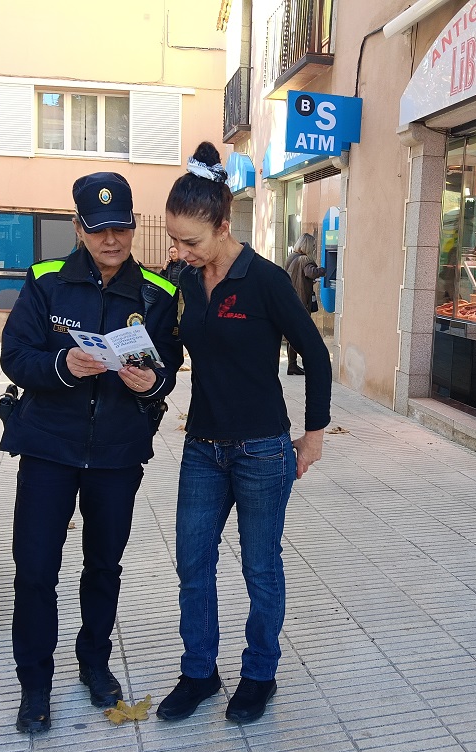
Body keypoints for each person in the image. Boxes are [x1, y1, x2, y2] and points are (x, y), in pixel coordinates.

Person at [0, 171, 183, 734]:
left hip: (117, 456)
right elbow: (15, 356)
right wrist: (61, 367)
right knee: (34, 571)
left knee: (103, 568)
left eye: (121, 228)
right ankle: (34, 684)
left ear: (132, 227)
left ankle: (94, 663)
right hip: (49, 450)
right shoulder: (45, 281)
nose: (112, 240)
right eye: (99, 229)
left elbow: (168, 370)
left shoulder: (159, 292)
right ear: (79, 228)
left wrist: (147, 383)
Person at [155, 142, 332, 725]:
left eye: (191, 241)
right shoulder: (183, 281)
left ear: (224, 226)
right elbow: (170, 350)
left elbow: (315, 354)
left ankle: (259, 674)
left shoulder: (265, 281)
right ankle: (199, 672)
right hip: (202, 447)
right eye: (174, 240)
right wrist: (142, 370)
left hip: (261, 449)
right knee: (192, 565)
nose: (179, 252)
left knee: (261, 568)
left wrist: (313, 435)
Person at [283, 233, 325, 375]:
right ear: (307, 245)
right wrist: (325, 270)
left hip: (290, 299)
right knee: (301, 334)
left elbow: (296, 276)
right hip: (301, 301)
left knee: (292, 334)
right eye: (313, 245)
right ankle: (305, 363)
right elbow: (311, 273)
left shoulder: (291, 257)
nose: (314, 248)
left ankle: (292, 365)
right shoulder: (305, 259)